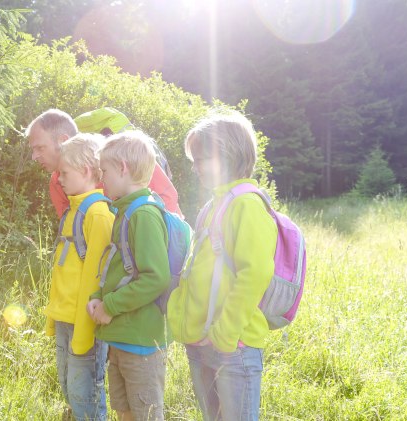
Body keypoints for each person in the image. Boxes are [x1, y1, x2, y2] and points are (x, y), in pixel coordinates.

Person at [167, 112, 278, 421]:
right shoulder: (214, 205)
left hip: (233, 346)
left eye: (200, 158)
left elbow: (255, 273)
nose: (194, 166)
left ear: (226, 155)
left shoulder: (247, 204)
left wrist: (225, 334)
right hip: (202, 339)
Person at [87, 130, 170, 421]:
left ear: (122, 168)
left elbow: (155, 277)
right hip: (121, 338)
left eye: (105, 171)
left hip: (141, 343)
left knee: (145, 415)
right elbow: (115, 267)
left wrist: (110, 305)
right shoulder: (124, 211)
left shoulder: (143, 214)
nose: (102, 178)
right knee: (125, 413)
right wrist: (98, 297)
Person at [45, 134, 115, 420]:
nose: (58, 179)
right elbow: (63, 272)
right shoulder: (73, 211)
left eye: (64, 173)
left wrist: (84, 335)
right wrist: (53, 318)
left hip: (84, 326)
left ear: (86, 171)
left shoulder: (97, 214)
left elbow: (94, 279)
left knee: (85, 396)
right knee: (69, 391)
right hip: (66, 320)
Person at [26, 109, 181, 218]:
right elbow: (74, 234)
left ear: (63, 141)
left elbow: (168, 200)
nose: (34, 157)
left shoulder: (121, 157)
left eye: (40, 148)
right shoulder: (57, 183)